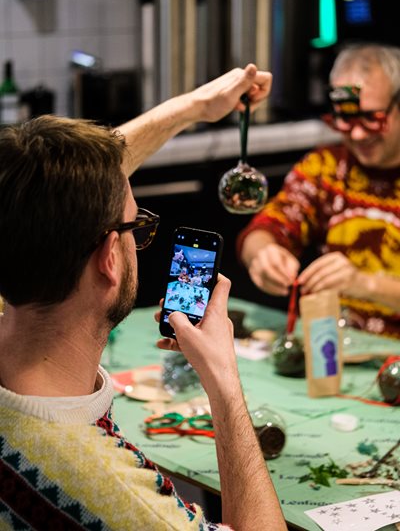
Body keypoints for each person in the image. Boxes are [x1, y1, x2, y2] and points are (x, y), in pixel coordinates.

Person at [0, 65, 287, 530]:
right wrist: (223, 382)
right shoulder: (124, 505)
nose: (139, 237)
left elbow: (59, 189)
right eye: (138, 226)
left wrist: (193, 107)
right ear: (110, 257)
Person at [238, 43, 400, 339]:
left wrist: (364, 284)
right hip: (333, 347)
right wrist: (264, 254)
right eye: (346, 120)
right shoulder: (325, 167)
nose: (358, 134)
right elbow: (267, 228)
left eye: (372, 119)